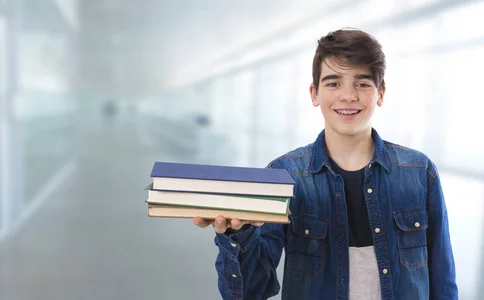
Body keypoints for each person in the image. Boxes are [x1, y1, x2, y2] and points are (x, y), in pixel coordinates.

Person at [193, 28, 458, 300]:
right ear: (314, 93)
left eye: (362, 83)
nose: (348, 96)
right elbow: (250, 292)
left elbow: (443, 281)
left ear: (381, 93)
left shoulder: (419, 171)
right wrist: (240, 235)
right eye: (333, 83)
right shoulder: (284, 176)